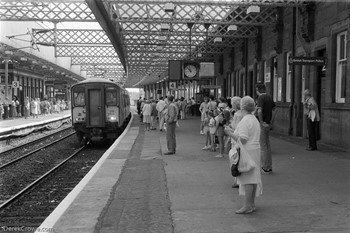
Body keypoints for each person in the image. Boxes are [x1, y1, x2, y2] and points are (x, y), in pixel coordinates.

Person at [229, 96, 262, 214]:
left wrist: (230, 133)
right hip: (255, 150)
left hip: (247, 151)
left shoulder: (245, 120)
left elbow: (242, 139)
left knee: (247, 178)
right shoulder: (253, 119)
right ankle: (251, 203)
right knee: (253, 178)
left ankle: (247, 205)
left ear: (243, 107)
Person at [225, 96, 244, 188]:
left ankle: (237, 180)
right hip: (240, 138)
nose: (231, 104)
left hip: (235, 138)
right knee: (239, 158)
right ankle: (240, 180)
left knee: (234, 159)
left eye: (232, 103)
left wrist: (229, 127)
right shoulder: (242, 113)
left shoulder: (237, 114)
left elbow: (235, 127)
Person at [256, 82, 275, 174]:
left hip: (263, 124)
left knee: (263, 146)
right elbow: (275, 109)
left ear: (258, 90)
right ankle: (269, 166)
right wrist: (271, 121)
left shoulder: (260, 97)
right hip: (268, 123)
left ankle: (264, 167)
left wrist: (261, 121)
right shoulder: (269, 97)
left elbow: (259, 111)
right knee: (267, 145)